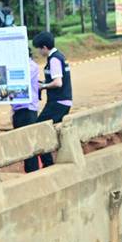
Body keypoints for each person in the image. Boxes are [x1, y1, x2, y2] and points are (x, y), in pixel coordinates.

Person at [33, 31, 71, 168]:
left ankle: (48, 163)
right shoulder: (58, 56)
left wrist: (43, 86)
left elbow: (58, 82)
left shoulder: (54, 59)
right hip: (61, 101)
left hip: (58, 102)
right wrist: (44, 83)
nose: (39, 52)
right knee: (50, 130)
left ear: (44, 47)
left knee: (39, 128)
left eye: (39, 48)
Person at [11, 51, 43, 173]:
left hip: (28, 109)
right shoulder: (21, 65)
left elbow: (21, 78)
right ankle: (29, 171)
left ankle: (33, 172)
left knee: (29, 144)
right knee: (23, 144)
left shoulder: (31, 66)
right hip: (18, 109)